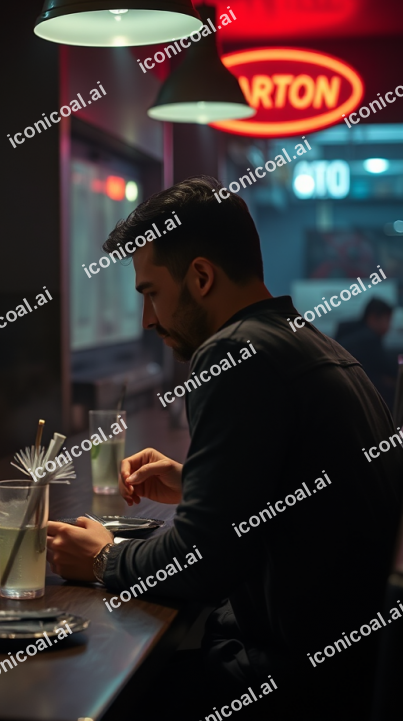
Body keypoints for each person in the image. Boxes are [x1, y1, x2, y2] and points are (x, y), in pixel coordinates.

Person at [46, 177, 403, 720]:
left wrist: (103, 558)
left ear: (202, 277)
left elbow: (202, 561)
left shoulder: (233, 355)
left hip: (288, 681)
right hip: (351, 667)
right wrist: (198, 482)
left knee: (82, 692)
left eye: (151, 294)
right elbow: (312, 496)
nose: (148, 320)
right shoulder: (311, 342)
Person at [337, 297, 398, 409]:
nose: (390, 326)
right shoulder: (369, 339)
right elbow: (390, 368)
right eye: (388, 319)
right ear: (373, 318)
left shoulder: (350, 332)